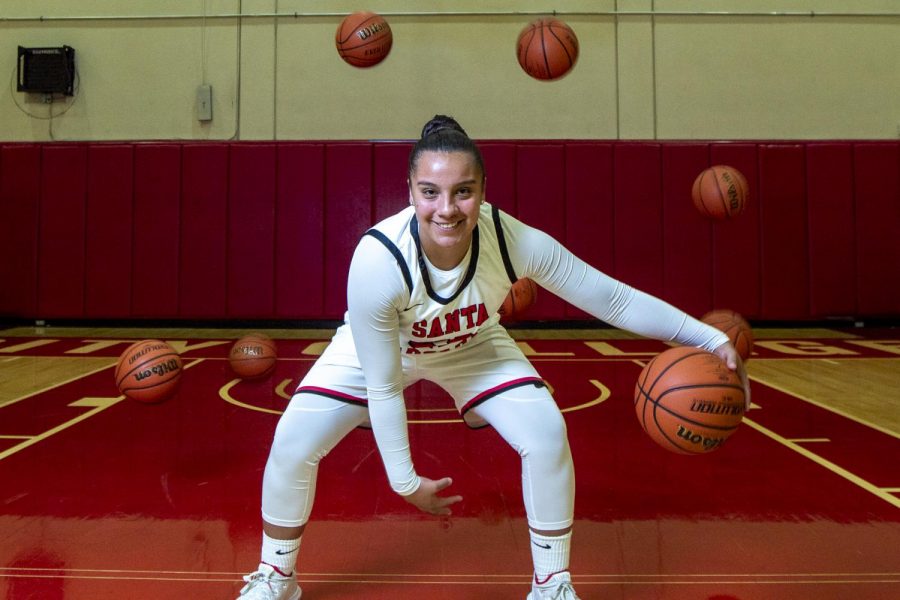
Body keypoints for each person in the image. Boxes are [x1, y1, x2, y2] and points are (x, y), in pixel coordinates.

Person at [237, 115, 750, 600]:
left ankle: (551, 583)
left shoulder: (513, 239)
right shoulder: (377, 259)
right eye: (430, 192)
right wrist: (404, 479)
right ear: (410, 191)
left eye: (463, 191)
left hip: (472, 346)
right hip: (381, 353)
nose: (447, 208)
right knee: (292, 440)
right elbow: (385, 386)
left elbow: (610, 298)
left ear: (483, 192)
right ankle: (276, 574)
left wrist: (706, 338)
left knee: (547, 433)